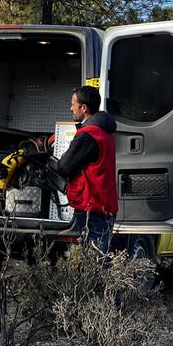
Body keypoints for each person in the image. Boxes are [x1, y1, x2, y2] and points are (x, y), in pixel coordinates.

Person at [48, 84, 118, 253]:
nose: (71, 108)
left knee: (94, 259)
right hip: (103, 205)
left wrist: (50, 161)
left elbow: (64, 167)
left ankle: (97, 281)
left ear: (84, 108)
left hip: (91, 206)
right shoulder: (104, 132)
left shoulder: (88, 134)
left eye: (73, 104)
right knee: (99, 255)